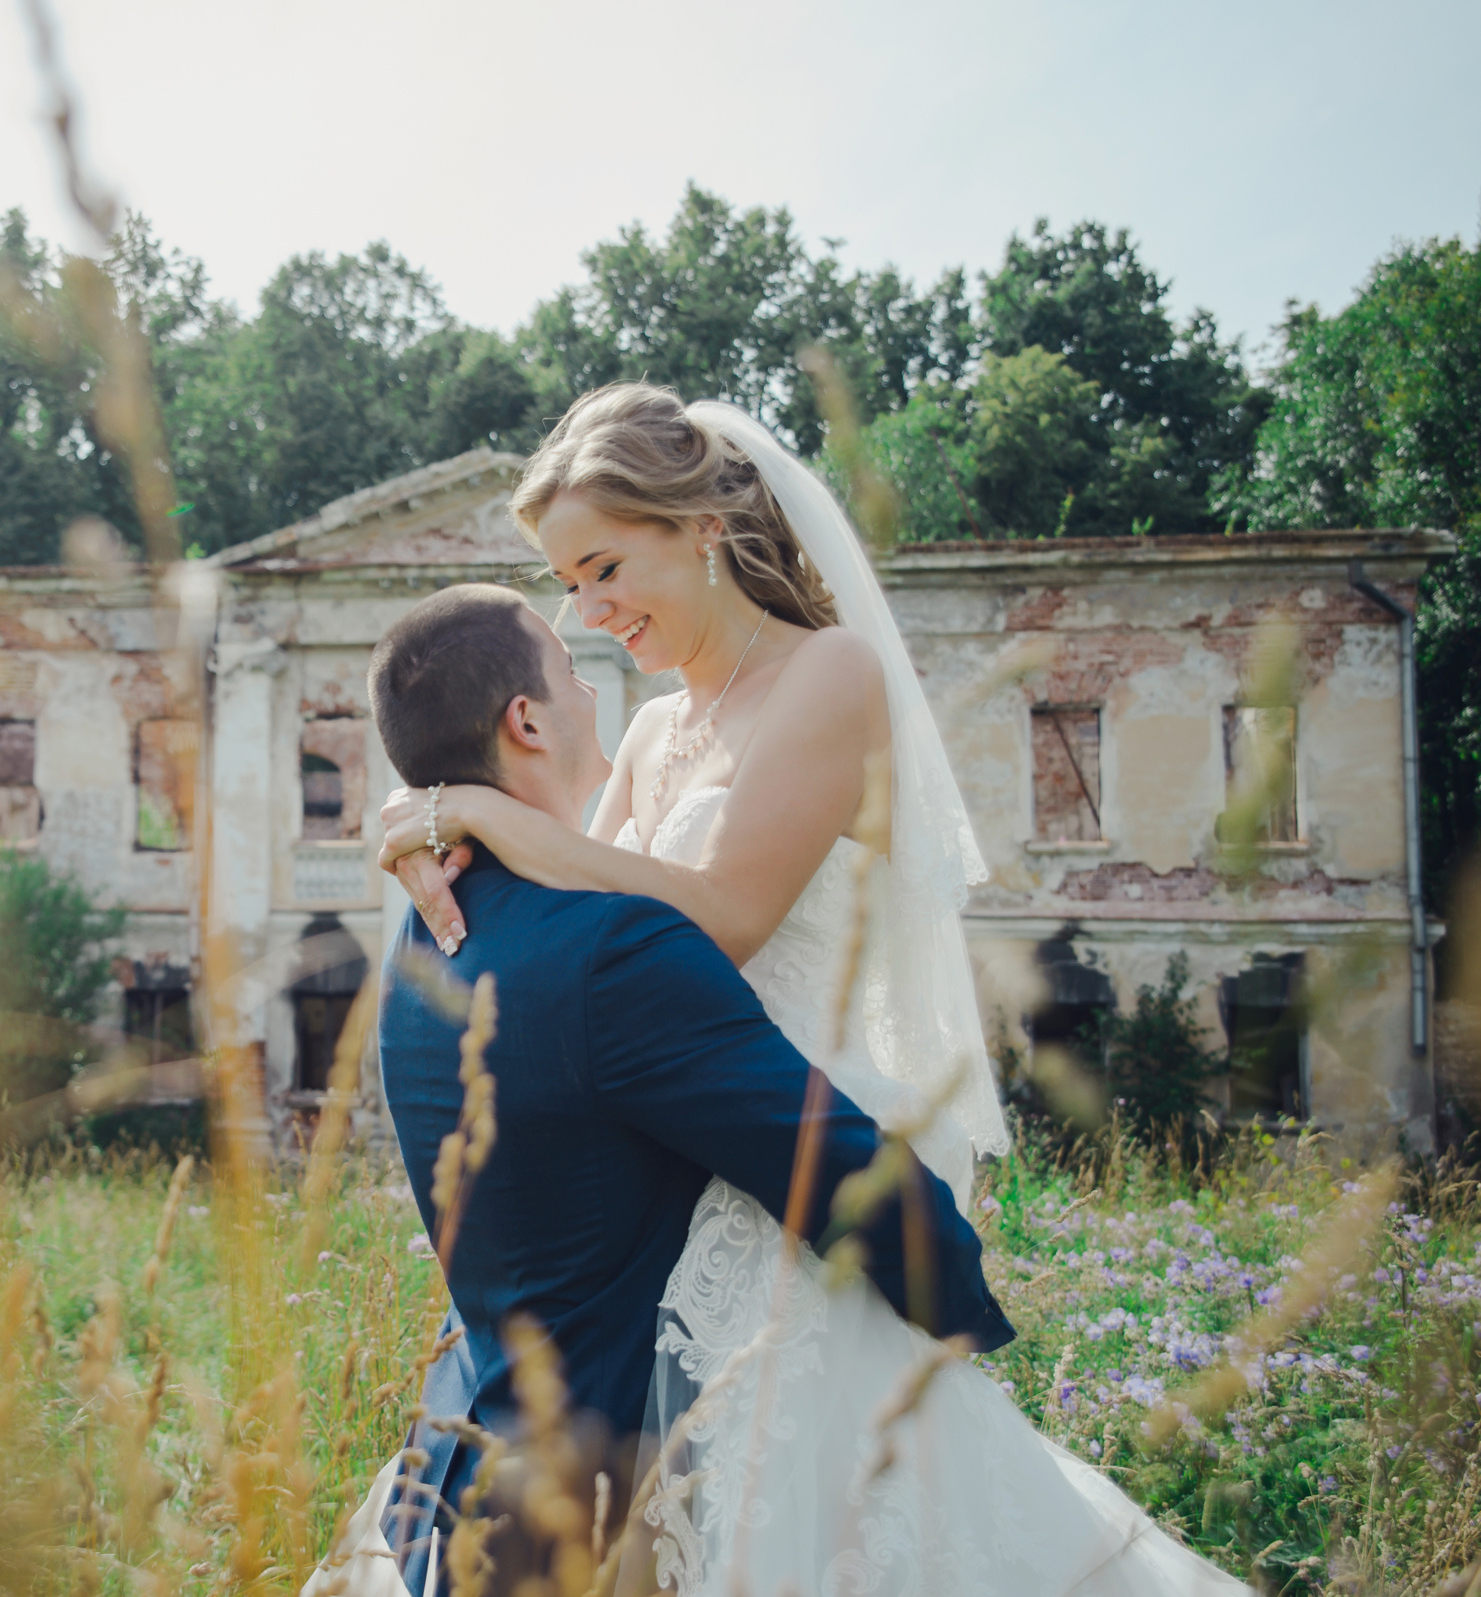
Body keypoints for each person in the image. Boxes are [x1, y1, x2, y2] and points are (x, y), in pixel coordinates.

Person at [345, 384, 1250, 1595]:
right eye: (567, 585)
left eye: (605, 567)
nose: (590, 610)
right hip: (678, 1179)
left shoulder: (831, 675)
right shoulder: (662, 729)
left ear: (703, 526)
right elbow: (569, 905)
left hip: (795, 1164)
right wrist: (424, 821)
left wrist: (479, 810)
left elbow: (718, 915)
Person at [302, 582, 1012, 1597]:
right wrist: (960, 1300)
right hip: (601, 1507)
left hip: (456, 1468)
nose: (599, 688)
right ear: (527, 720)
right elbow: (826, 1164)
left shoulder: (425, 929)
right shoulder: (617, 950)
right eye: (569, 669)